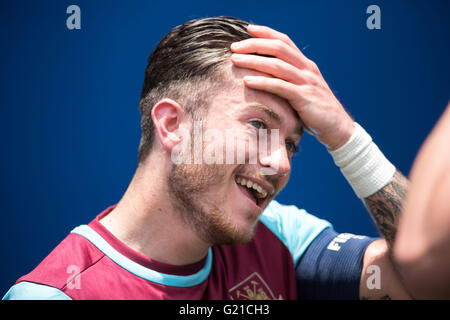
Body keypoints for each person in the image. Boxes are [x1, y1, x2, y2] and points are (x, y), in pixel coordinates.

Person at [3, 16, 411, 300]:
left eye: (290, 144)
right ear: (172, 125)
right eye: (257, 125)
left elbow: (433, 274)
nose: (283, 164)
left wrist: (345, 135)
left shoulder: (282, 238)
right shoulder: (56, 294)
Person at [394, 102, 450, 300]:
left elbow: (418, 254)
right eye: (288, 144)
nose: (289, 165)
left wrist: (346, 137)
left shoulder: (299, 239)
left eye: (293, 144)